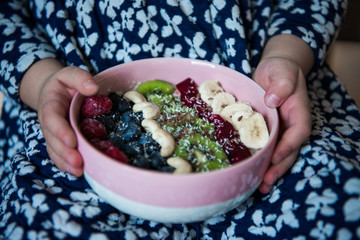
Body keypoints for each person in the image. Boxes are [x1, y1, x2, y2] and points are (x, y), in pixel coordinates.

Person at [0, 0, 359, 239]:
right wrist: (43, 79)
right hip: (66, 97)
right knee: (38, 220)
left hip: (259, 84)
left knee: (340, 198)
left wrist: (288, 55)